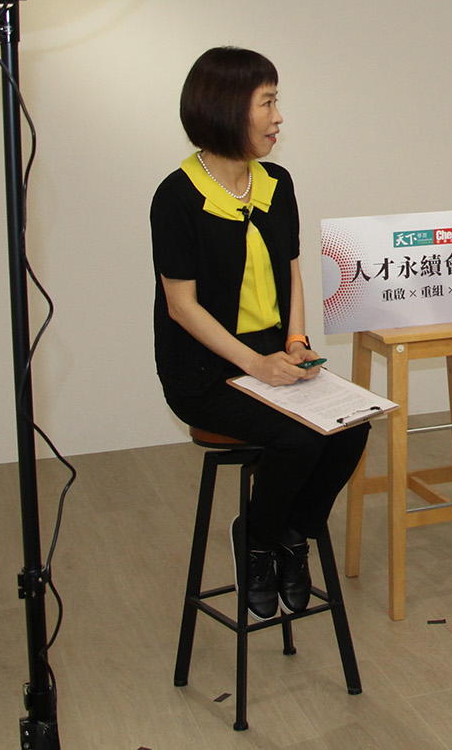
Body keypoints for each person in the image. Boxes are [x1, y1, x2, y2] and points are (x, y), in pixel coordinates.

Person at [150, 46, 369, 620]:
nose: (278, 118)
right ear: (227, 109)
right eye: (267, 103)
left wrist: (295, 342)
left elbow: (291, 269)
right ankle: (255, 542)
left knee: (348, 430)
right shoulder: (175, 197)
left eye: (276, 103)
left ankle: (288, 534)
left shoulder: (278, 183)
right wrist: (256, 364)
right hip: (205, 373)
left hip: (273, 356)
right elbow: (182, 307)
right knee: (297, 439)